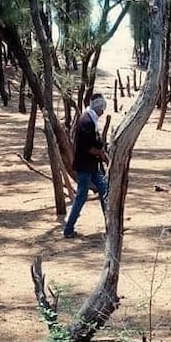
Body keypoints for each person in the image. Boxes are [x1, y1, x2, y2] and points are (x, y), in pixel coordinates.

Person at [63, 93, 109, 238]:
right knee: (81, 197)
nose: (103, 112)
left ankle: (111, 224)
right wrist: (102, 155)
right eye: (103, 108)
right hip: (85, 166)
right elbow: (88, 147)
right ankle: (68, 229)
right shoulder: (86, 122)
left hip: (92, 166)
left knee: (105, 191)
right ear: (99, 108)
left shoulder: (89, 119)